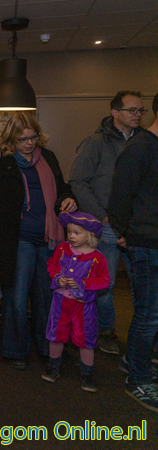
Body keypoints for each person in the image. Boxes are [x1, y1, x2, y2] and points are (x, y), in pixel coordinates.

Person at [0, 112, 77, 370]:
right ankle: (16, 349)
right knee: (16, 298)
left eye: (33, 137)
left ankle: (46, 347)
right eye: (23, 139)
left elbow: (61, 187)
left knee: (45, 297)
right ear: (11, 138)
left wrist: (68, 198)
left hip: (49, 239)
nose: (29, 143)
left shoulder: (47, 157)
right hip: (16, 239)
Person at [68, 90, 145, 355]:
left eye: (141, 110)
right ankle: (106, 331)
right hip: (108, 227)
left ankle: (143, 338)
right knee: (105, 285)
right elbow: (78, 181)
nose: (137, 114)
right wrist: (101, 215)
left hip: (138, 228)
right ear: (115, 113)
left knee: (143, 285)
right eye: (132, 110)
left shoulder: (145, 141)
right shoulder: (96, 142)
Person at [109, 94, 158, 412]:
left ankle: (135, 361)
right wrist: (123, 232)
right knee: (148, 314)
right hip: (145, 242)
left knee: (152, 313)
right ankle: (137, 379)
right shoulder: (140, 147)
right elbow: (119, 197)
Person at [41, 212, 109, 392]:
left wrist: (83, 283)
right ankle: (53, 367)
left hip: (83, 306)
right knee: (56, 334)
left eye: (77, 233)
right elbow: (52, 265)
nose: (71, 236)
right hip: (60, 302)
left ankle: (87, 374)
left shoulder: (98, 258)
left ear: (90, 235)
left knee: (85, 338)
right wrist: (58, 277)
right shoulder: (62, 249)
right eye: (70, 232)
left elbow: (104, 281)